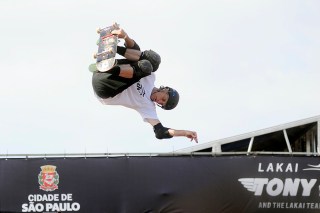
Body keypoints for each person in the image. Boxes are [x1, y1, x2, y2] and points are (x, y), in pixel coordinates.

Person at [92, 24, 198, 143]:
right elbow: (142, 57)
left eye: (161, 104)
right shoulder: (151, 77)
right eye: (163, 99)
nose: (159, 102)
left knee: (145, 67)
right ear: (165, 90)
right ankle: (118, 43)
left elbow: (160, 132)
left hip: (105, 89)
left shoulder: (148, 107)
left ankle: (110, 66)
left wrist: (184, 133)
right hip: (101, 73)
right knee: (152, 61)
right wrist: (126, 38)